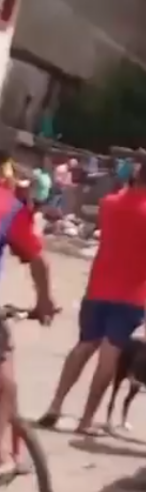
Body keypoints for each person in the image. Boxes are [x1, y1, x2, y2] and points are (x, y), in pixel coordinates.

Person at [38, 159, 146, 435]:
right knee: (110, 355)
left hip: (99, 286)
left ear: (137, 173)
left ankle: (55, 404)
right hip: (132, 293)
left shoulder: (109, 203)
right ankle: (86, 420)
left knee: (84, 345)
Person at [0, 182, 56, 473]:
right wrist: (44, 303)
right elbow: (38, 260)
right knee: (4, 382)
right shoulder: (7, 206)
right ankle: (1, 454)